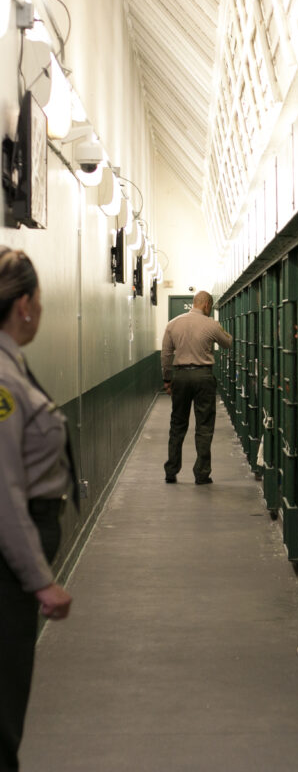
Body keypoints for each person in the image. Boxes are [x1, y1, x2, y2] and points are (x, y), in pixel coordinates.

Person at [0, 247, 77, 772]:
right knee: (2, 711)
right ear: (24, 304)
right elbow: (2, 491)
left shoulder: (12, 365)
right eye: (41, 300)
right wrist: (39, 578)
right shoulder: (3, 379)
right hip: (5, 572)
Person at [161, 290, 232, 484]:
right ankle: (201, 473)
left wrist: (167, 380)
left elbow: (166, 355)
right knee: (204, 425)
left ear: (194, 303)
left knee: (177, 424)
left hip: (181, 377)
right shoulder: (211, 324)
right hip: (203, 377)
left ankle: (171, 471)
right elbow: (228, 343)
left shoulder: (172, 324)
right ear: (207, 305)